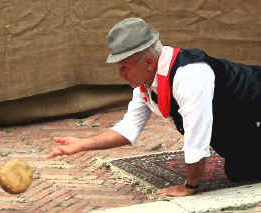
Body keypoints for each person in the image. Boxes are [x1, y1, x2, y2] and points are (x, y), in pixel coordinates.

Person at [47, 17, 261, 197]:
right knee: (241, 170)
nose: (120, 75)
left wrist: (190, 186)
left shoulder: (190, 75)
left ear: (149, 63)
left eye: (124, 68)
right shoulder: (147, 84)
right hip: (243, 122)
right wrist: (83, 144)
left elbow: (197, 138)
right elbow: (128, 129)